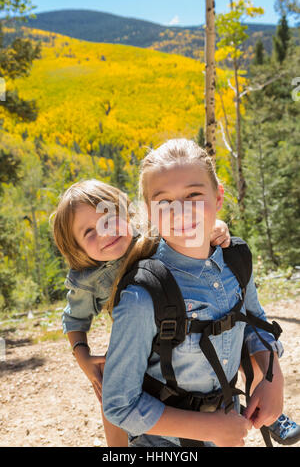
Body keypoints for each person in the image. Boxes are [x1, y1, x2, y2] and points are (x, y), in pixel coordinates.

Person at [102, 138, 286, 447]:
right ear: (150, 211)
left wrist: (272, 378)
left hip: (227, 431)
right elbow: (120, 404)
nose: (180, 211)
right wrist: (209, 429)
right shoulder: (143, 294)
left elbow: (254, 321)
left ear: (218, 198)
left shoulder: (235, 260)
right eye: (164, 202)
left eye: (193, 194)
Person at [50, 178, 231, 447]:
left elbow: (193, 227)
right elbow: (74, 318)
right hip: (138, 338)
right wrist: (84, 358)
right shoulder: (89, 278)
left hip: (186, 323)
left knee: (233, 334)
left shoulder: (156, 234)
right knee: (114, 382)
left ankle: (264, 408)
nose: (105, 233)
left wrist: (216, 227)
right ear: (77, 248)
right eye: (88, 232)